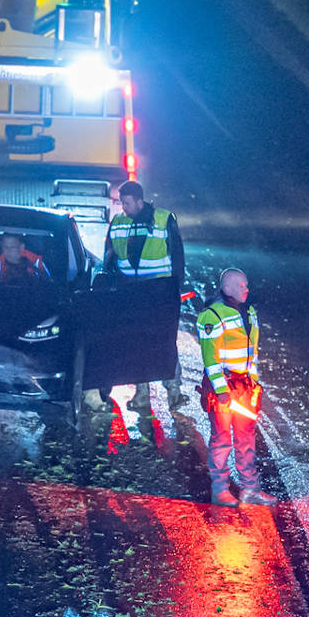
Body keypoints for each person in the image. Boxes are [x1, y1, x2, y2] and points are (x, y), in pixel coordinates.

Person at [100, 180, 184, 447]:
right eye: (121, 202)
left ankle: (174, 392)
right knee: (136, 344)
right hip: (131, 292)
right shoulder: (119, 221)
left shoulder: (163, 219)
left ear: (139, 200)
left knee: (162, 343)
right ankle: (142, 395)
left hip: (159, 292)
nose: (122, 207)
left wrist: (175, 291)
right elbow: (110, 256)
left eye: (126, 202)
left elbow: (177, 256)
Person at [196, 267, 273, 507]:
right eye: (241, 286)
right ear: (227, 288)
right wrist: (221, 391)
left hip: (244, 388)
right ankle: (220, 490)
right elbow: (211, 359)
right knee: (221, 440)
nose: (246, 289)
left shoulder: (248, 312)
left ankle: (250, 489)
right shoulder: (213, 316)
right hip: (224, 389)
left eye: (246, 285)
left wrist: (255, 385)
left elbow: (252, 355)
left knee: (246, 439)